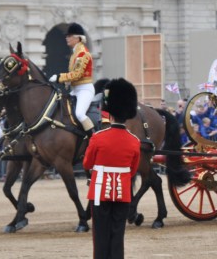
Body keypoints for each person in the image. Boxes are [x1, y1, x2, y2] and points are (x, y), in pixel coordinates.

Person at [82, 78, 140, 259]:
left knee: (100, 235)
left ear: (111, 114)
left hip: (100, 192)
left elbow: (86, 164)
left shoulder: (98, 138)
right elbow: (132, 170)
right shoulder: (134, 141)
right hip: (122, 192)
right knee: (118, 235)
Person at [49, 22, 95, 135]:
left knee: (79, 114)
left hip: (85, 90)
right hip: (75, 90)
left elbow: (77, 74)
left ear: (78, 38)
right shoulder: (75, 53)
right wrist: (67, 82)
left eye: (69, 36)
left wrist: (60, 77)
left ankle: (94, 137)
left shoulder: (82, 54)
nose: (66, 38)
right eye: (67, 36)